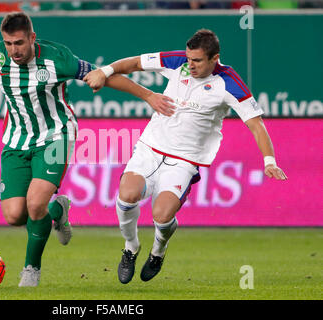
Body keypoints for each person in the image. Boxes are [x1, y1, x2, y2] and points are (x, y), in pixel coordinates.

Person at [0, 12, 174, 287]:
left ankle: (31, 270)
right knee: (15, 215)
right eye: (8, 43)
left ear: (32, 38)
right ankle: (58, 212)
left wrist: (147, 95)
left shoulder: (56, 59)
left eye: (19, 43)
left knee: (35, 204)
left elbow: (102, 76)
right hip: (16, 140)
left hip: (56, 135)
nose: (13, 50)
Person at [84, 29, 287, 284]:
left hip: (185, 160)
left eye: (198, 61)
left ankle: (158, 251)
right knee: (127, 194)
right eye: (189, 58)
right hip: (150, 147)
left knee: (162, 214)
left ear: (215, 58)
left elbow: (256, 124)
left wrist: (269, 161)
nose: (190, 65)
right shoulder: (177, 61)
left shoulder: (230, 83)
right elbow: (135, 63)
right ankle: (130, 247)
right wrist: (105, 71)